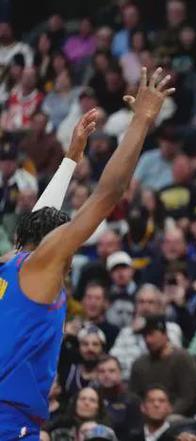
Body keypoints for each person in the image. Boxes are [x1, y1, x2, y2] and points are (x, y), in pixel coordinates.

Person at [0, 66, 173, 441]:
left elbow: (37, 223)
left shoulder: (9, 266)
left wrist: (70, 159)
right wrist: (141, 120)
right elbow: (108, 194)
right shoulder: (40, 266)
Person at [128, 315, 196, 416]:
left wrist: (166, 415)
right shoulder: (139, 363)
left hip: (176, 416)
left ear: (165, 335)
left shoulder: (182, 358)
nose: (148, 340)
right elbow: (134, 397)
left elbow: (187, 397)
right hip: (146, 416)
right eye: (145, 336)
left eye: (151, 334)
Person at [95, 355, 141, 441]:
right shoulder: (91, 398)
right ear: (96, 375)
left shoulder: (132, 401)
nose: (106, 375)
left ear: (120, 373)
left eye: (111, 371)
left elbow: (136, 433)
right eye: (102, 371)